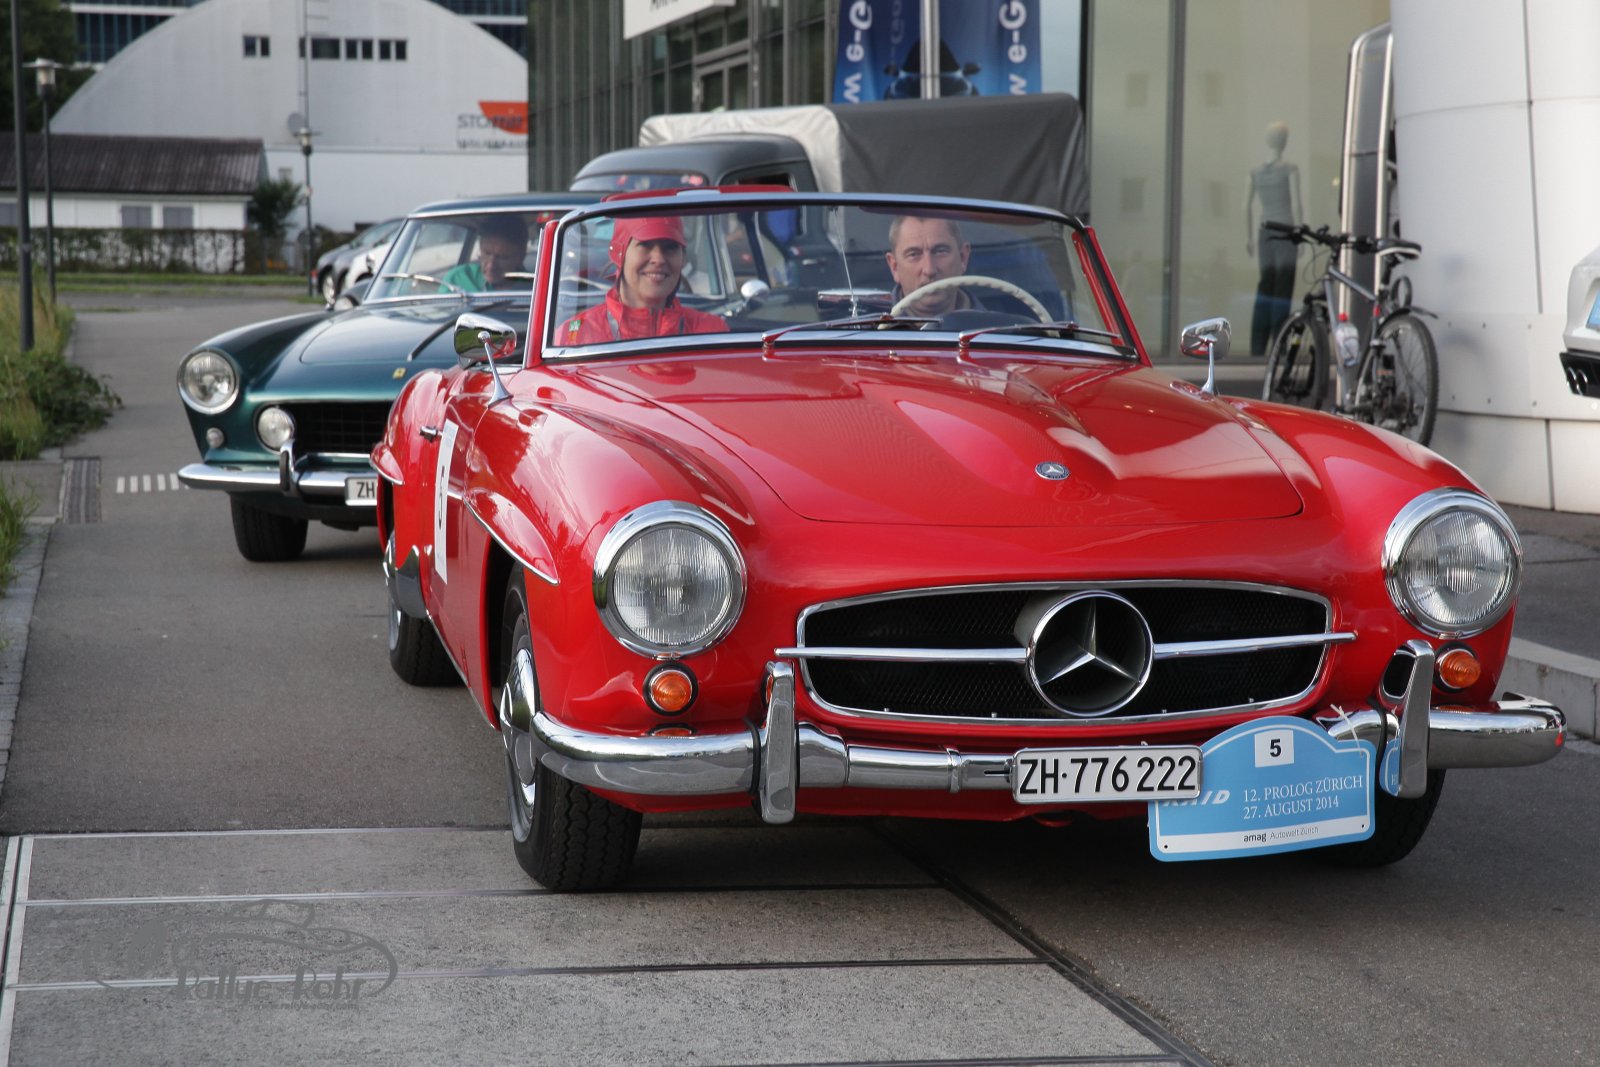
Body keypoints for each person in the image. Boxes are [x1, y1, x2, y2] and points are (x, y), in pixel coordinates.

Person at [557, 215, 729, 343]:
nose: (659, 259)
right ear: (619, 253)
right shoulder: (574, 336)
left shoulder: (711, 332)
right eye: (645, 245)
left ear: (683, 258)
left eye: (670, 247)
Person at [1244, 121, 1303, 354]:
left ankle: (1258, 347)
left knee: (1265, 288)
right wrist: (1299, 232)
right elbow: (1296, 204)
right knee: (1282, 290)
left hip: (1264, 233)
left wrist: (1249, 237)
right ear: (1284, 142)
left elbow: (1245, 207)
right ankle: (1279, 346)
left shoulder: (1256, 172)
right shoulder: (1289, 169)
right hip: (1286, 232)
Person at [884, 215, 982, 317]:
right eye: (913, 254)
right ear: (894, 267)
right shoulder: (873, 326)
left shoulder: (991, 325)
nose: (929, 270)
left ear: (963, 258)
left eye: (940, 251)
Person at [440, 215, 529, 293]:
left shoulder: (533, 289)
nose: (491, 266)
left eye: (502, 257)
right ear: (480, 247)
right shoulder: (457, 279)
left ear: (520, 258)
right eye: (487, 253)